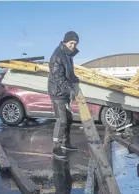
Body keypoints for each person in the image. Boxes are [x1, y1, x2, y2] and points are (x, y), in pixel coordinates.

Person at [48, 31, 80, 159]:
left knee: (69, 119)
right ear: (65, 41)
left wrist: (76, 79)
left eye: (75, 44)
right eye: (71, 43)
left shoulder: (68, 55)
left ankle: (66, 143)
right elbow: (58, 77)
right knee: (62, 120)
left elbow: (69, 73)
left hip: (64, 92)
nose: (73, 46)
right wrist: (69, 89)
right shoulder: (57, 55)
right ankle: (56, 147)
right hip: (58, 93)